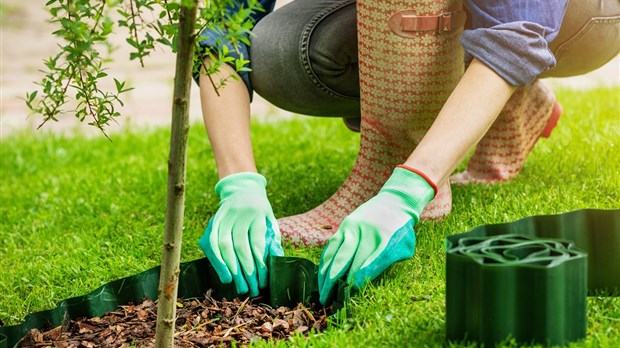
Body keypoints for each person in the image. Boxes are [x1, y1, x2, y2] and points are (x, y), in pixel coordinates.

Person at [195, 0, 620, 303]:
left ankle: (417, 149)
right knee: (278, 51)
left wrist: (408, 190)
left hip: (578, 17)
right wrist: (238, 183)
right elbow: (224, 30)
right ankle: (501, 97)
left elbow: (519, 28)